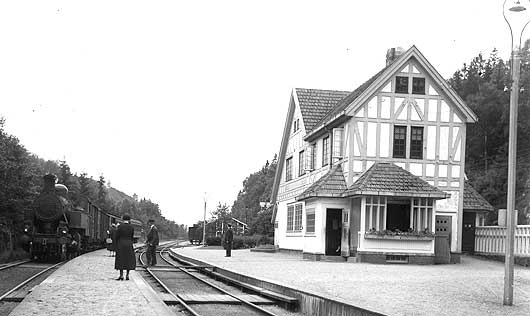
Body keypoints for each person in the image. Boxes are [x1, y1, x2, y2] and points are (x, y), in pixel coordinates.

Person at [114, 215, 136, 280]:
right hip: (129, 244)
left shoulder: (120, 226)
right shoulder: (131, 227)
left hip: (121, 244)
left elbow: (117, 236)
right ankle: (127, 275)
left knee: (121, 259)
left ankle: (121, 275)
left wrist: (116, 244)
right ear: (129, 220)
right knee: (128, 259)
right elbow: (132, 236)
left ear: (123, 220)